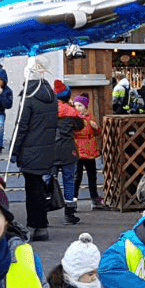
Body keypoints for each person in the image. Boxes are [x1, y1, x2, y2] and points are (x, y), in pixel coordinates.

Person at [13, 70, 62, 241]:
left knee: (32, 189)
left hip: (30, 150)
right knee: (39, 189)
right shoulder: (51, 97)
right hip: (46, 150)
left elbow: (21, 126)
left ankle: (34, 226)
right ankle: (42, 226)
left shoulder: (29, 98)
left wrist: (14, 150)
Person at [63, 93, 104, 210]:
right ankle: (73, 200)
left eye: (80, 105)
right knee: (77, 177)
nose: (78, 108)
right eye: (76, 105)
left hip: (90, 151)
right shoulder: (73, 119)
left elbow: (97, 133)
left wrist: (96, 128)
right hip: (78, 152)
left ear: (86, 107)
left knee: (92, 177)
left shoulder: (90, 117)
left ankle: (94, 200)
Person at [53, 80, 83, 225]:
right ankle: (69, 214)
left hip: (50, 149)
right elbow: (80, 126)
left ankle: (46, 209)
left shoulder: (48, 109)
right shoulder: (71, 111)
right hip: (68, 150)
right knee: (69, 180)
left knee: (49, 179)